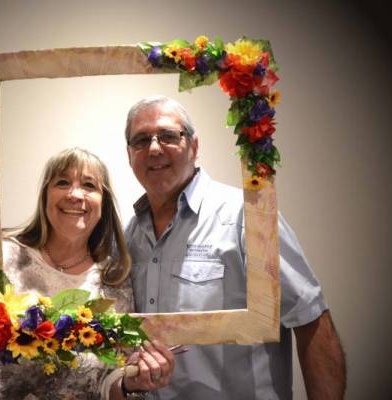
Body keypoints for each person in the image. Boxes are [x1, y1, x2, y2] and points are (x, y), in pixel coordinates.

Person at [0, 148, 174, 400]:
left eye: (89, 185)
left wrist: (131, 383)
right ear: (45, 196)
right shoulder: (0, 257)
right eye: (62, 182)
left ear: (104, 203)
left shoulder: (114, 284)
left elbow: (107, 384)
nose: (75, 194)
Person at [123, 96, 346, 399]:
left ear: (194, 147)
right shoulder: (128, 237)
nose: (153, 148)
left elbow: (310, 319)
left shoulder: (246, 216)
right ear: (129, 154)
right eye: (140, 140)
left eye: (168, 136)